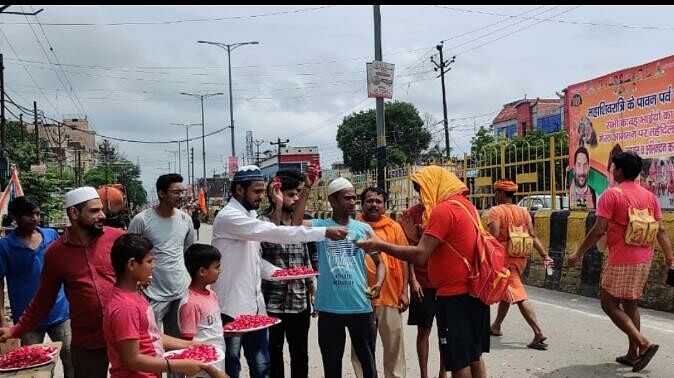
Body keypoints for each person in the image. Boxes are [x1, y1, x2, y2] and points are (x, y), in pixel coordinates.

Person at [211, 165, 347, 378]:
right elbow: (273, 233)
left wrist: (279, 273)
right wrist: (323, 232)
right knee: (232, 366)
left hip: (255, 306)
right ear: (239, 190)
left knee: (262, 365)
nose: (259, 197)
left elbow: (256, 259)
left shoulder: (250, 213)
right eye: (256, 191)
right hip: (231, 307)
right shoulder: (229, 216)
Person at [357, 166, 490, 378]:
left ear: (433, 185)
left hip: (454, 294)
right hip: (475, 291)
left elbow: (420, 255)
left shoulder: (443, 210)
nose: (421, 195)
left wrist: (380, 245)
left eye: (422, 189)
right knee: (473, 354)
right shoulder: (468, 207)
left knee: (458, 360)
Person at [0, 187, 125, 377]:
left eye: (101, 210)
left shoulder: (116, 238)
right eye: (94, 211)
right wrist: (16, 329)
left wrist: (144, 278)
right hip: (87, 341)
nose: (101, 216)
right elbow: (43, 299)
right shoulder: (56, 252)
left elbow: (142, 262)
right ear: (74, 213)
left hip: (125, 333)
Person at [569, 151, 674, 373]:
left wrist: (578, 253)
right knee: (630, 303)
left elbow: (598, 231)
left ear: (619, 171)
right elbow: (661, 231)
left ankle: (643, 344)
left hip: (620, 258)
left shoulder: (611, 195)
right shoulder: (649, 196)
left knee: (608, 303)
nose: (611, 170)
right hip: (644, 258)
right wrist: (669, 259)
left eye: (614, 167)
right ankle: (633, 353)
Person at [104, 233, 226, 378]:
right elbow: (132, 360)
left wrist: (190, 345)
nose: (154, 266)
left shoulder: (135, 296)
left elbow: (152, 336)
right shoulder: (125, 308)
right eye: (149, 261)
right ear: (132, 264)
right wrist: (176, 365)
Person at [309, 177, 385, 378]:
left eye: (354, 198)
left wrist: (378, 283)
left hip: (360, 306)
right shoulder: (321, 227)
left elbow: (380, 263)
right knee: (332, 366)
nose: (352, 202)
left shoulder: (363, 229)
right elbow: (295, 222)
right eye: (347, 198)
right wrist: (308, 187)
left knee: (368, 364)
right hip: (329, 309)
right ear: (332, 201)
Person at [0, 197, 73, 377]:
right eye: (28, 214)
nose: (34, 218)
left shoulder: (51, 235)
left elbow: (65, 268)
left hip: (60, 312)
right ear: (14, 216)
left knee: (71, 359)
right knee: (34, 367)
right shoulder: (5, 246)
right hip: (27, 318)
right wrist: (2, 317)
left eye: (37, 213)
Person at [258, 169, 316, 378]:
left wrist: (312, 289)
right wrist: (278, 207)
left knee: (300, 354)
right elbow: (269, 241)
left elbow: (305, 256)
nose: (296, 198)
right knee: (273, 353)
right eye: (291, 194)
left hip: (299, 301)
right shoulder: (261, 222)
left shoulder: (302, 222)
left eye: (298, 194)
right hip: (271, 301)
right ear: (276, 194)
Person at [487, 180, 553, 350]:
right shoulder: (523, 212)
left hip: (504, 259)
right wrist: (544, 255)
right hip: (521, 258)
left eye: (496, 192)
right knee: (507, 291)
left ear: (501, 193)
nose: (495, 195)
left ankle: (538, 332)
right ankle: (496, 326)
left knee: (517, 293)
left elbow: (493, 236)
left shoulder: (496, 211)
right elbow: (532, 236)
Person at [128, 174, 195, 339]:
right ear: (161, 193)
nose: (181, 196)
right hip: (151, 293)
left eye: (182, 192)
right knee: (153, 342)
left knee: (179, 343)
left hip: (180, 291)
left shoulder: (185, 220)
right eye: (176, 192)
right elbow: (129, 252)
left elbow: (188, 251)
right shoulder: (142, 220)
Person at [351, 187, 408, 378]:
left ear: (385, 205)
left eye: (378, 201)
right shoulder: (353, 226)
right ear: (362, 204)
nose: (374, 204)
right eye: (369, 201)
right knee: (362, 349)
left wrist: (404, 292)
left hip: (389, 296)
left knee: (393, 347)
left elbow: (404, 260)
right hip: (359, 298)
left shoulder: (394, 228)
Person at [400, 202, 447, 378]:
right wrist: (413, 279)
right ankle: (424, 375)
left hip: (443, 282)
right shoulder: (412, 213)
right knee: (424, 330)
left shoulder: (444, 210)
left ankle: (443, 372)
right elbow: (409, 248)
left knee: (445, 332)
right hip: (423, 282)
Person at [179, 243, 227, 376]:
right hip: (202, 369)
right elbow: (187, 344)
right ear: (202, 271)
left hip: (217, 360)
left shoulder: (212, 295)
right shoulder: (190, 303)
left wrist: (229, 333)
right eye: (216, 267)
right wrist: (212, 371)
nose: (220, 270)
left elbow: (211, 330)